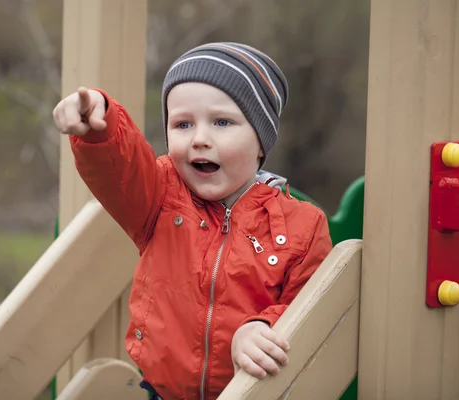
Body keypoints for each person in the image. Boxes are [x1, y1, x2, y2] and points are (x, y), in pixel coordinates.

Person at [53, 42, 332, 400]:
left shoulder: (301, 226)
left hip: (256, 393)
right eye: (183, 124)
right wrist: (100, 124)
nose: (200, 139)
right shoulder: (160, 195)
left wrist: (261, 327)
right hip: (164, 393)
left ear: (261, 142)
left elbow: (310, 305)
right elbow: (119, 170)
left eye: (222, 122)